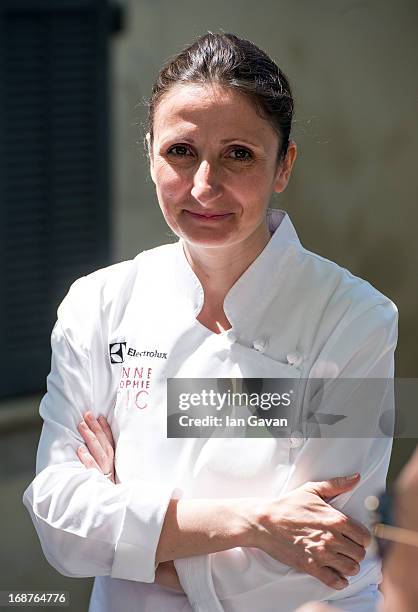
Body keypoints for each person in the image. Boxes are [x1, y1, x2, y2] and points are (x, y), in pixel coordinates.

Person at [22, 32, 398, 612]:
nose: (204, 186)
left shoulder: (354, 319)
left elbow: (324, 557)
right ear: (150, 153)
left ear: (283, 166)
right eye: (180, 151)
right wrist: (253, 521)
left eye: (239, 154)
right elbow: (60, 526)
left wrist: (130, 529)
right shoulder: (96, 304)